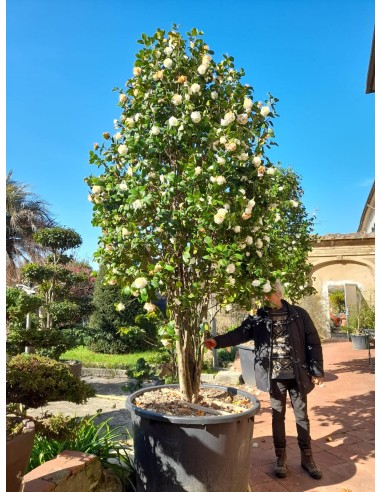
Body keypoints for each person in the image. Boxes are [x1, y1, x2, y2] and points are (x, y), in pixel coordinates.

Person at [204, 280, 324, 480]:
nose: (265, 299)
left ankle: (307, 457)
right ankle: (280, 457)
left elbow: (313, 342)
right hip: (274, 376)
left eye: (268, 295)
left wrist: (317, 371)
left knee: (301, 416)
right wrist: (217, 341)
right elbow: (240, 333)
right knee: (277, 416)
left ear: (278, 293)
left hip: (298, 374)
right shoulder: (259, 317)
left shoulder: (298, 314)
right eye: (262, 296)